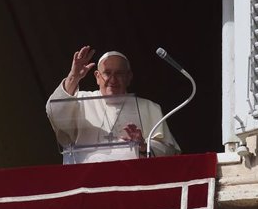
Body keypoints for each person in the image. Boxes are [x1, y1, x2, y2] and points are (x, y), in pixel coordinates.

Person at [46, 45, 180, 163]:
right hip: (85, 180)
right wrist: (73, 76)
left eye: (119, 74)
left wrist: (144, 146)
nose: (113, 79)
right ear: (97, 77)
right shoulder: (79, 100)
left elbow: (169, 151)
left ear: (129, 77)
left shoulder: (149, 107)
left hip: (133, 180)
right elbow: (55, 113)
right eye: (107, 73)